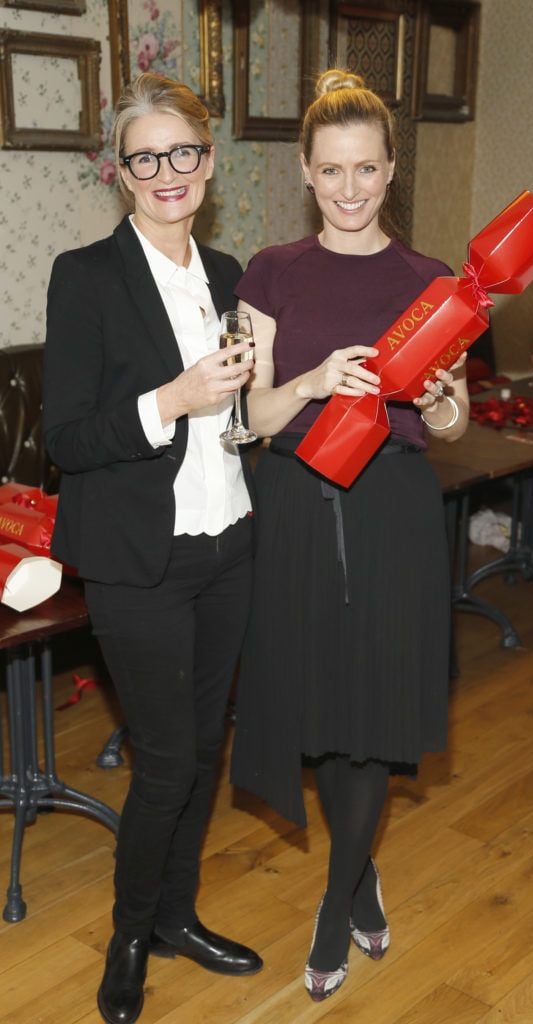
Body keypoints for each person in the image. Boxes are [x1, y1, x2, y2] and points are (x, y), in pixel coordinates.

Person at [230, 68, 469, 1002]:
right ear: (305, 169)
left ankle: (335, 908)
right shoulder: (270, 273)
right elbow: (251, 419)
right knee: (325, 712)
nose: (350, 188)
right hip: (295, 506)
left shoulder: (432, 282)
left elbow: (445, 429)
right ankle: (360, 873)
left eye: (367, 168)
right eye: (332, 170)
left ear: (391, 167)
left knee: (369, 714)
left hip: (391, 516)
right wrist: (312, 382)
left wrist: (445, 401)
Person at [42, 72, 262, 1024]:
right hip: (141, 559)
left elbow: (249, 413)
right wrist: (172, 400)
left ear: (206, 165)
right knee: (168, 758)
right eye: (146, 157)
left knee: (204, 748)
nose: (167, 171)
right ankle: (131, 935)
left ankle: (177, 915)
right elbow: (70, 439)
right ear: (121, 173)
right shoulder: (83, 276)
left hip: (230, 545)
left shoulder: (230, 275)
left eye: (184, 153)